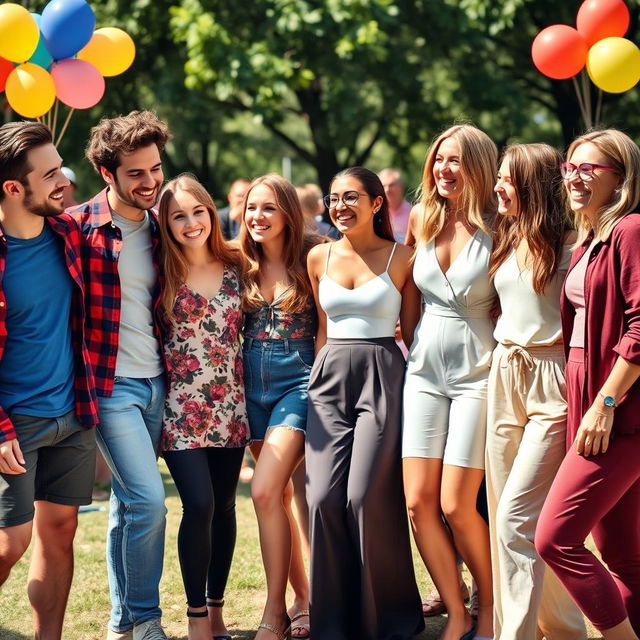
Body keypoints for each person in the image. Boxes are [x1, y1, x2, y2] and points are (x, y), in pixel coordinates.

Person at [306, 166, 424, 640]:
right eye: (334, 198)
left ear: (377, 203)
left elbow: (412, 334)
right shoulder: (318, 258)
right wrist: (315, 383)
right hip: (328, 379)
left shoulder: (403, 258)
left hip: (383, 376)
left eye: (351, 197)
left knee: (365, 497)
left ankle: (387, 620)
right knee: (322, 500)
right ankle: (333, 623)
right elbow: (320, 327)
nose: (340, 206)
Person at [68, 110, 171, 640]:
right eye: (136, 173)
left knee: (129, 505)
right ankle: (147, 619)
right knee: (151, 501)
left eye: (155, 169)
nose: (150, 181)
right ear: (108, 173)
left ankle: (119, 623)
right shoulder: (77, 228)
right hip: (109, 387)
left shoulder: (164, 227)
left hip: (160, 385)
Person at [536, 129, 640, 640]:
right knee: (622, 555)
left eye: (588, 169)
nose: (574, 177)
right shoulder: (589, 238)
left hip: (619, 407)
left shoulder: (630, 229)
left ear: (619, 178)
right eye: (569, 167)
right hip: (587, 395)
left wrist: (605, 403)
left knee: (556, 539)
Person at [0, 122, 99, 639]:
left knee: (59, 533)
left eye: (61, 167)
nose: (64, 180)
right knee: (9, 541)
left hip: (73, 415)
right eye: (50, 174)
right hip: (13, 425)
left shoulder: (70, 236)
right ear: (14, 189)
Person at [486, 143, 586, 640]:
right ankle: (564, 630)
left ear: (534, 186)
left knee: (516, 518)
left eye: (508, 179)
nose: (498, 186)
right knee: (506, 513)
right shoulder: (505, 237)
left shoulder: (573, 246)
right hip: (505, 373)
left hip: (553, 379)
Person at [402, 124, 497, 640]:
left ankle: (490, 607)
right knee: (418, 501)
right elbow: (411, 310)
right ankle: (457, 611)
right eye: (439, 159)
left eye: (456, 160)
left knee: (457, 504)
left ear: (478, 166)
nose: (444, 169)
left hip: (479, 373)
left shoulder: (501, 225)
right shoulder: (422, 218)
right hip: (423, 373)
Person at [157, 174, 250, 640]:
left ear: (211, 213)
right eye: (178, 215)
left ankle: (216, 611)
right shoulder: (160, 271)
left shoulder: (237, 264)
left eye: (198, 212)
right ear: (166, 223)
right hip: (179, 411)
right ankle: (195, 617)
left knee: (226, 507)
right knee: (198, 504)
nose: (191, 223)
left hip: (231, 407)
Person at [239, 174, 320, 640]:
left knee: (266, 490)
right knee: (280, 498)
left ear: (288, 212)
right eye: (252, 207)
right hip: (250, 388)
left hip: (299, 384)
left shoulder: (316, 255)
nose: (257, 217)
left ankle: (274, 612)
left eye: (268, 207)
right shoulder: (237, 261)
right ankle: (302, 597)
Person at [378, 168, 412, 242]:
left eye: (391, 185)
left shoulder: (413, 213)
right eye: (383, 186)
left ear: (401, 187)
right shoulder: (374, 214)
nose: (387, 190)